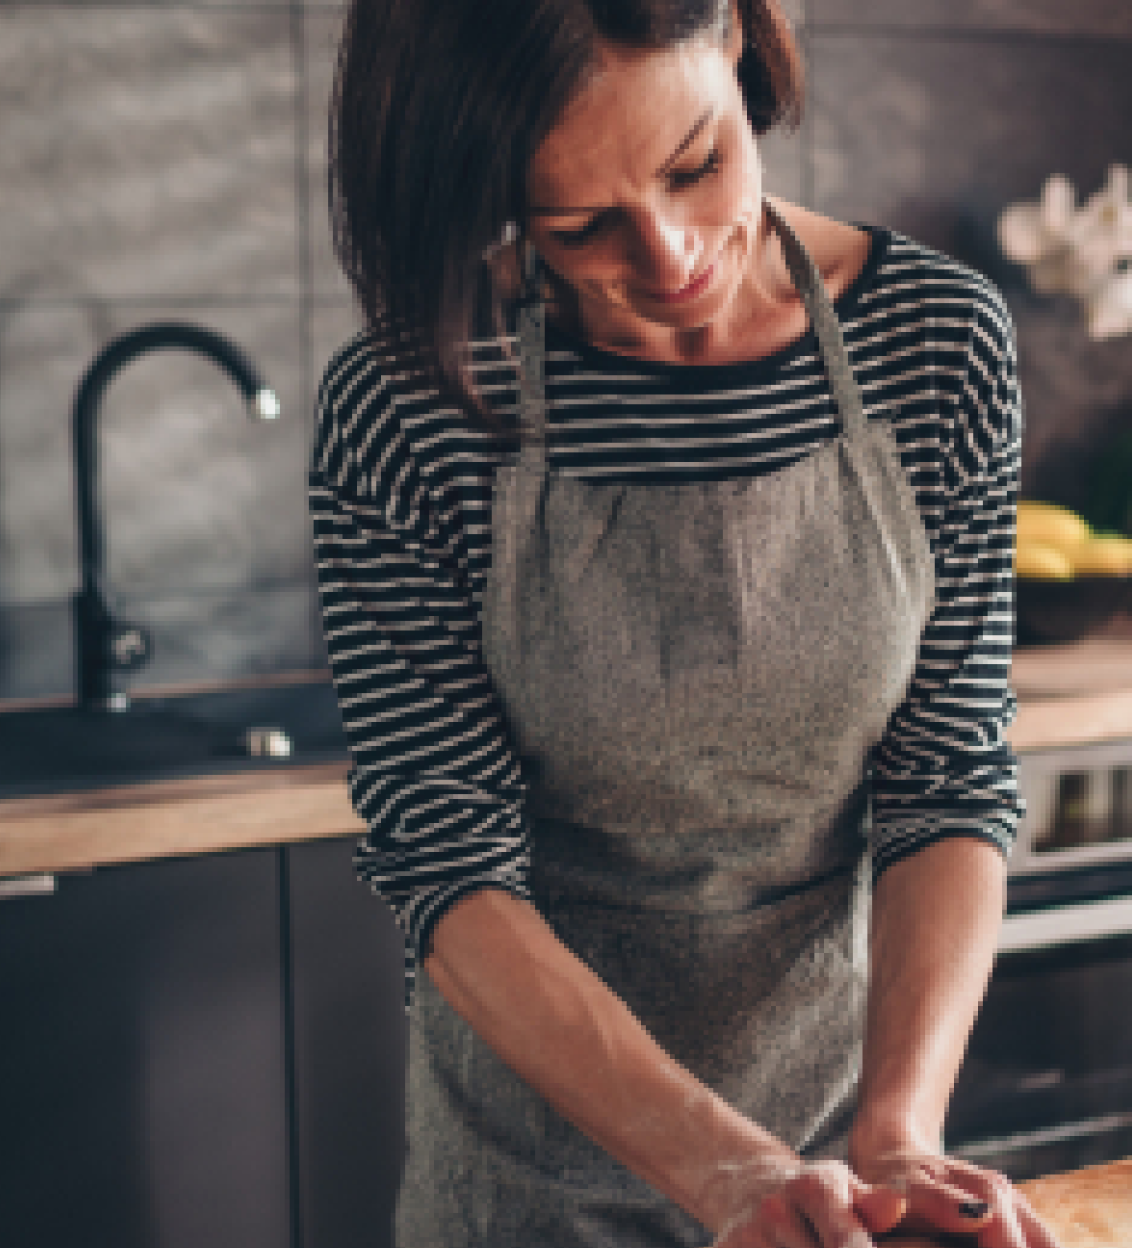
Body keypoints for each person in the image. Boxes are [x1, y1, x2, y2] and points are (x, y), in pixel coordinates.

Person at [310, 1, 1060, 1245]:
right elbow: (445, 858)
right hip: (527, 1188)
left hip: (838, 1175)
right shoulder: (413, 398)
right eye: (580, 224)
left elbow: (948, 777)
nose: (666, 259)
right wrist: (727, 1173)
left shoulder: (936, 342)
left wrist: (899, 1138)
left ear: (746, 50)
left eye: (696, 164)